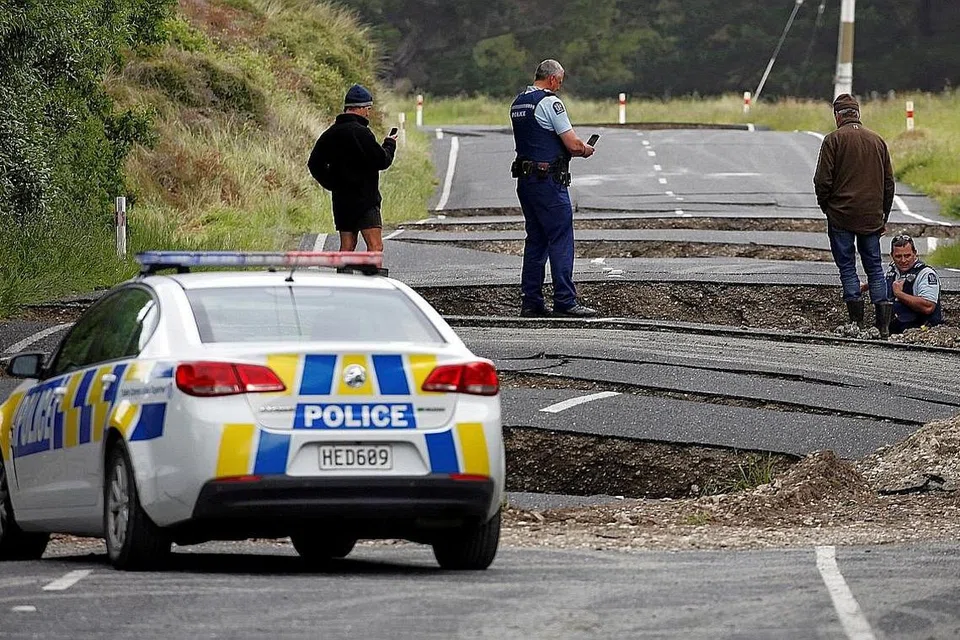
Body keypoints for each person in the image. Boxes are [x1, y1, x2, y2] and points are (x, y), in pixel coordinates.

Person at [509, 59, 597, 318]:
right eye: (560, 80)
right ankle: (565, 300)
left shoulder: (519, 103)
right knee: (560, 238)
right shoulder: (550, 103)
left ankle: (531, 301)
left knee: (535, 240)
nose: (560, 85)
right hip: (548, 180)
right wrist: (585, 149)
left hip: (525, 181)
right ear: (553, 79)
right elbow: (571, 144)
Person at [814, 93, 896, 337]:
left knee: (847, 266)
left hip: (841, 215)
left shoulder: (833, 140)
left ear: (838, 115)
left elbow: (822, 180)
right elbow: (889, 183)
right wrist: (884, 216)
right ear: (858, 114)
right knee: (874, 267)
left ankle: (856, 322)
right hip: (871, 216)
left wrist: (826, 207)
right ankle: (883, 326)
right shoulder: (877, 141)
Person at [308, 84, 397, 253]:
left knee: (347, 248)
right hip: (366, 201)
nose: (368, 113)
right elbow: (382, 160)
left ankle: (344, 279)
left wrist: (333, 184)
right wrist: (390, 143)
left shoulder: (330, 134)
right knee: (375, 247)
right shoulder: (362, 133)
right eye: (367, 108)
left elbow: (314, 164)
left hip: (342, 200)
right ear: (359, 108)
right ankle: (372, 279)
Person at [886, 234, 943, 333]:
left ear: (915, 253)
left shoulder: (926, 274)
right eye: (898, 256)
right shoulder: (893, 269)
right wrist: (865, 286)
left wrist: (899, 294)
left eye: (907, 256)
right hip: (897, 327)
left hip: (921, 331)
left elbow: (928, 307)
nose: (903, 260)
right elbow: (883, 281)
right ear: (891, 256)